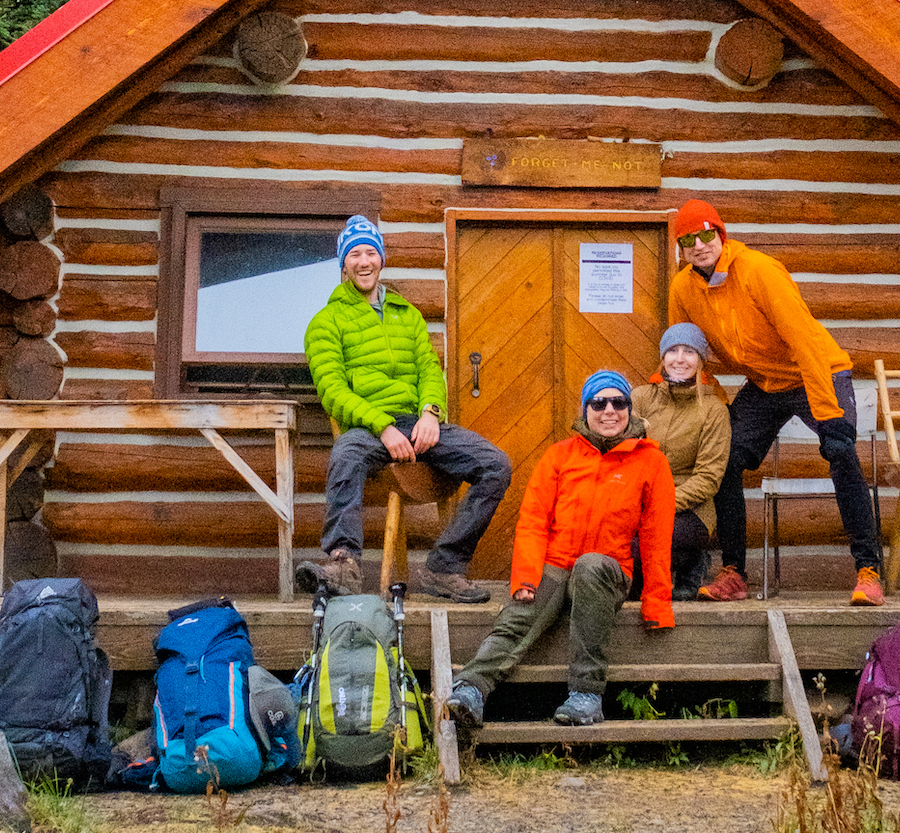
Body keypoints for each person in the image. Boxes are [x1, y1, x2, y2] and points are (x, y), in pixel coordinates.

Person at [666, 198, 884, 607]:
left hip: (815, 369)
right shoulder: (683, 287)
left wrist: (828, 410)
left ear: (721, 234)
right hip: (765, 383)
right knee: (725, 456)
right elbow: (686, 348)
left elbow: (803, 339)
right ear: (680, 248)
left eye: (706, 234)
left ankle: (868, 571)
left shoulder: (759, 272)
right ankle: (734, 573)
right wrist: (709, 413)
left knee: (840, 449)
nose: (699, 245)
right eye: (688, 239)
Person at [444, 369, 675, 731]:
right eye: (599, 403)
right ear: (586, 410)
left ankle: (586, 696)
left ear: (631, 409)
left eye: (619, 402)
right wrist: (524, 577)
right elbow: (534, 520)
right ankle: (472, 688)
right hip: (556, 563)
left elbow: (656, 535)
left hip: (609, 569)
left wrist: (657, 602)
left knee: (590, 565)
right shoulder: (559, 456)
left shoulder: (652, 462)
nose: (609, 410)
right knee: (520, 615)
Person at [301, 215, 510, 601]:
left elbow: (430, 370)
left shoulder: (407, 314)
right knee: (345, 453)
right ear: (343, 264)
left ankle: (443, 568)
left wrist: (431, 412)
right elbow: (332, 391)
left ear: (381, 259)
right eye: (355, 254)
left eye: (370, 252)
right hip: (369, 427)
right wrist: (382, 426)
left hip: (418, 423)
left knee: (495, 465)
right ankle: (344, 565)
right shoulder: (325, 322)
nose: (364, 261)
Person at [630, 322, 731, 602]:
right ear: (663, 357)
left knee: (640, 545)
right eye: (673, 350)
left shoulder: (714, 410)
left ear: (701, 359)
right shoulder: (640, 398)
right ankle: (687, 561)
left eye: (689, 351)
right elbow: (622, 451)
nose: (680, 359)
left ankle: (688, 561)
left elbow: (708, 478)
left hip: (691, 510)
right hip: (638, 500)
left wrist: (661, 502)